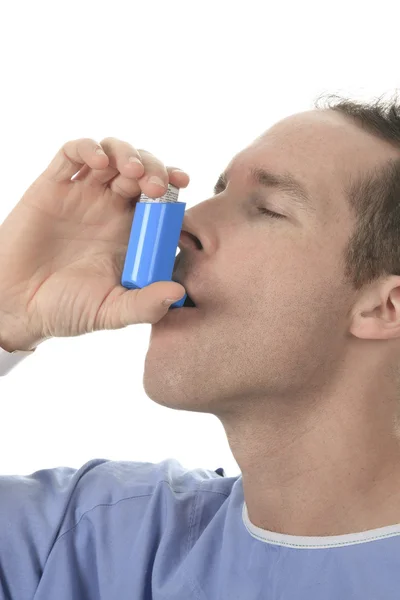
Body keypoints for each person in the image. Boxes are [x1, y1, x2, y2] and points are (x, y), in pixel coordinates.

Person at [1, 93, 400, 599]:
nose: (185, 221)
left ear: (385, 307)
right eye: (218, 189)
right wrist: (9, 313)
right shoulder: (90, 538)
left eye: (268, 209)